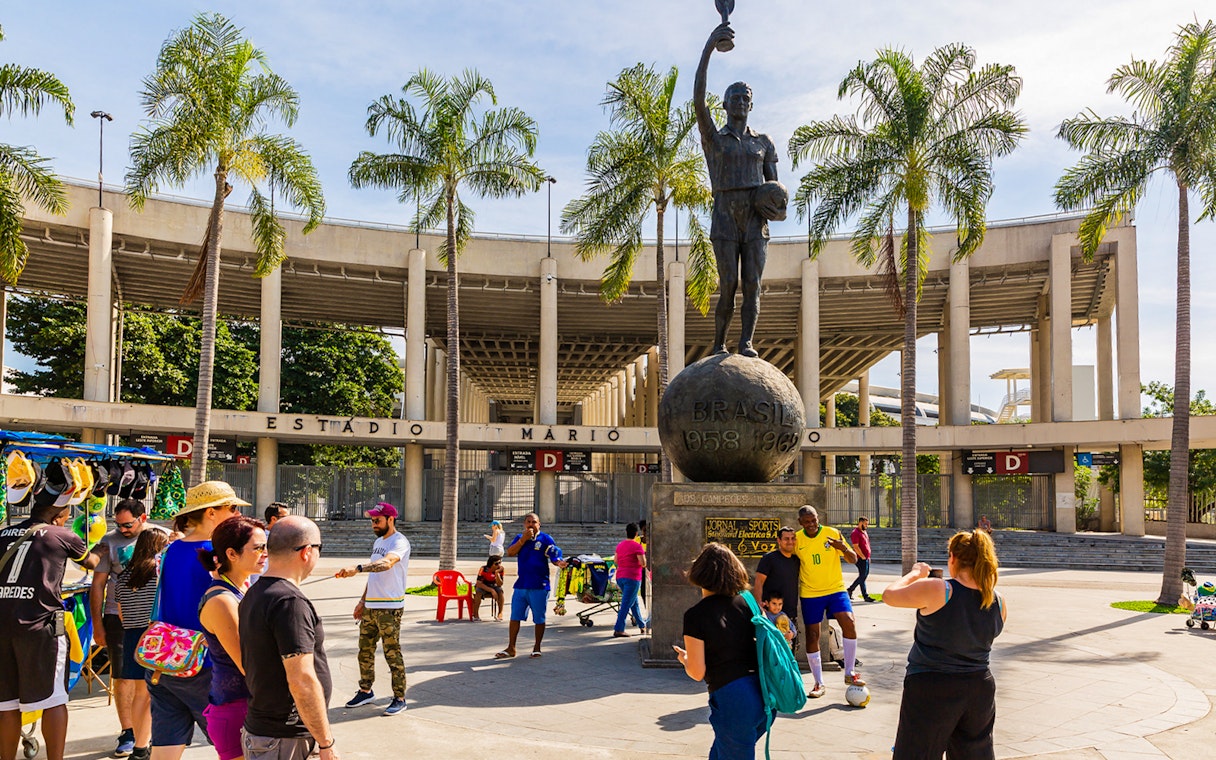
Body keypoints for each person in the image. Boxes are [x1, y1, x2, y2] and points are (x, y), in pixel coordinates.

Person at [694, 21, 782, 357]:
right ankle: (719, 343)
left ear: (751, 105)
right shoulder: (715, 140)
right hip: (725, 217)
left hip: (754, 220)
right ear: (725, 105)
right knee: (728, 285)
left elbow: (774, 188)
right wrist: (708, 48)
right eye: (735, 98)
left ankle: (745, 342)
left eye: (745, 98)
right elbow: (698, 99)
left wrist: (777, 208)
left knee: (752, 285)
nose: (740, 102)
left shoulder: (763, 142)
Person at [883, 531, 1007, 759]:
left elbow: (890, 595)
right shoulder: (997, 600)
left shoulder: (939, 588)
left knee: (917, 753)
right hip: (979, 686)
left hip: (932, 685)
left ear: (953, 558)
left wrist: (914, 573)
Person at [149, 481, 248, 760]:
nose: (236, 514)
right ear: (211, 513)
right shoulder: (216, 555)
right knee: (235, 750)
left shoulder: (171, 550)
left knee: (165, 749)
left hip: (165, 660)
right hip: (206, 664)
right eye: (231, 508)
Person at [0, 501, 99, 760]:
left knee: (6, 704)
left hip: (3, 624)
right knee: (53, 700)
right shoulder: (63, 535)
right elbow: (91, 562)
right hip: (41, 627)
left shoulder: (3, 534)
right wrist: (99, 549)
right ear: (58, 517)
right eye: (66, 516)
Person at [239, 516, 336, 760]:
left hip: (267, 732)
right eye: (319, 548)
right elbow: (301, 680)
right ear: (306, 552)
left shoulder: (256, 592)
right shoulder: (289, 602)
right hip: (283, 737)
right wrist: (326, 744)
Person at [673, 543, 772, 759]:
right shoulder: (749, 605)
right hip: (765, 693)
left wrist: (686, 659)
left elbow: (697, 672)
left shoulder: (696, 615)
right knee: (720, 753)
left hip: (733, 697)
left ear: (699, 573)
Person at [89, 498, 163, 758]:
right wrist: (97, 625)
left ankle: (147, 734)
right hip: (120, 619)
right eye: (118, 524)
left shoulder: (160, 537)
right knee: (123, 678)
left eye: (128, 524)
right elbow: (97, 585)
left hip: (154, 623)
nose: (122, 529)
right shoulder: (109, 541)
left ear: (142, 518)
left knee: (151, 681)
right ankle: (129, 732)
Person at [197, 516, 267, 760]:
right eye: (258, 547)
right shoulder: (222, 601)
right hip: (236, 710)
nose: (265, 553)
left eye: (265, 546)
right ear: (232, 554)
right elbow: (249, 665)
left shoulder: (240, 589)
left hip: (248, 706)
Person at [334, 503, 409, 715]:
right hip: (371, 605)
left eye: (377, 520)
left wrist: (357, 568)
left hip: (390, 607)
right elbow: (375, 574)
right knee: (364, 650)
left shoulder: (400, 542)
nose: (373, 524)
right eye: (372, 520)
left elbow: (386, 564)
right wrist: (362, 601)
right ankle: (365, 690)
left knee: (392, 652)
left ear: (390, 519)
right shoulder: (378, 541)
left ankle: (400, 697)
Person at [794, 505, 864, 699]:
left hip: (835, 590)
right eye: (806, 522)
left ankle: (849, 672)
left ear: (818, 518)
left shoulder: (832, 533)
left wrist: (842, 547)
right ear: (800, 522)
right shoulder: (797, 539)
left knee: (849, 622)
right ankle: (818, 683)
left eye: (813, 520)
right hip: (811, 593)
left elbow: (853, 559)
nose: (811, 524)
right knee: (812, 635)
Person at [114, 529, 173, 760]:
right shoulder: (160, 573)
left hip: (131, 636)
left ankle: (139, 746)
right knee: (162, 695)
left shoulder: (124, 576)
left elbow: (120, 613)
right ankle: (157, 744)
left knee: (141, 694)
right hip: (157, 636)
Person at [495, 513, 567, 659]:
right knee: (515, 616)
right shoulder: (519, 538)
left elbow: (555, 555)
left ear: (539, 524)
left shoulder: (545, 539)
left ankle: (537, 647)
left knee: (539, 618)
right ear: (524, 524)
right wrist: (523, 539)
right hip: (521, 585)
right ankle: (511, 648)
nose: (531, 524)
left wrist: (559, 562)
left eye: (534, 522)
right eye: (528, 522)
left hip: (539, 586)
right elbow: (510, 552)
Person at [753, 526, 800, 645]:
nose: (790, 541)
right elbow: (758, 582)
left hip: (789, 615)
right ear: (779, 540)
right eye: (786, 539)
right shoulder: (769, 559)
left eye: (793, 538)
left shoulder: (796, 560)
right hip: (770, 615)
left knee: (789, 653)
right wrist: (759, 605)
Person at [612, 523, 647, 638]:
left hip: (620, 577)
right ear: (636, 534)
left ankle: (642, 625)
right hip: (633, 578)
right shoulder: (637, 546)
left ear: (626, 532)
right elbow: (643, 563)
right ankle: (619, 629)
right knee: (626, 604)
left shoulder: (620, 545)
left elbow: (616, 560)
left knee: (634, 602)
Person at [847, 517, 875, 603]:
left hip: (866, 558)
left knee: (863, 576)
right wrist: (862, 556)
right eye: (865, 524)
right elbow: (856, 546)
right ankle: (861, 594)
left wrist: (868, 557)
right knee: (863, 576)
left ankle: (851, 591)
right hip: (860, 558)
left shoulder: (864, 532)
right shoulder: (855, 533)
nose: (867, 526)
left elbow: (867, 544)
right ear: (860, 522)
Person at [470, 555, 504, 622]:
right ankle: (476, 615)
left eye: (500, 563)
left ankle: (500, 613)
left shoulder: (500, 569)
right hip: (483, 585)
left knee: (500, 591)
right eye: (496, 564)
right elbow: (478, 583)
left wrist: (497, 574)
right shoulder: (483, 569)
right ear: (491, 564)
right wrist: (491, 590)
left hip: (494, 585)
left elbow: (500, 584)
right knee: (478, 591)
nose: (498, 565)